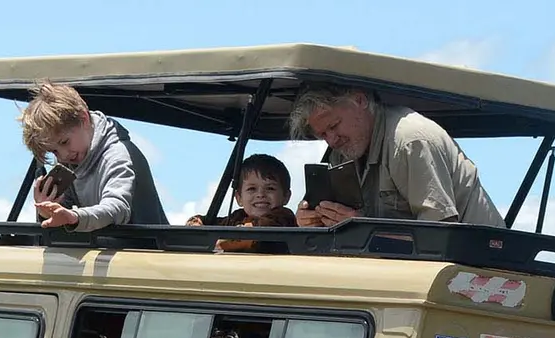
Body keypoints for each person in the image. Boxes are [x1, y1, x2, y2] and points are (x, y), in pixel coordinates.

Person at [289, 86, 503, 227]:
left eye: (334, 126)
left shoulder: (409, 141)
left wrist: (362, 228)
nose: (331, 140)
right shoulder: (342, 150)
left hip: (479, 276)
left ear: (360, 100)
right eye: (323, 134)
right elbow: (338, 217)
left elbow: (438, 235)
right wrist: (311, 219)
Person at [20, 82, 168, 231]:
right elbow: (64, 216)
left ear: (83, 118)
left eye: (65, 142)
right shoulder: (73, 163)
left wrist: (75, 217)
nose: (63, 155)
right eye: (54, 151)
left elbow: (117, 207)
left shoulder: (118, 155)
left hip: (146, 249)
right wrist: (47, 212)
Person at [186, 153, 295, 253]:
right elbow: (205, 222)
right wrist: (196, 226)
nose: (260, 194)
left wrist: (220, 243)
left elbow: (256, 231)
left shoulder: (284, 218)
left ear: (286, 196)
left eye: (270, 188)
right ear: (238, 198)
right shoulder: (236, 218)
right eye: (252, 189)